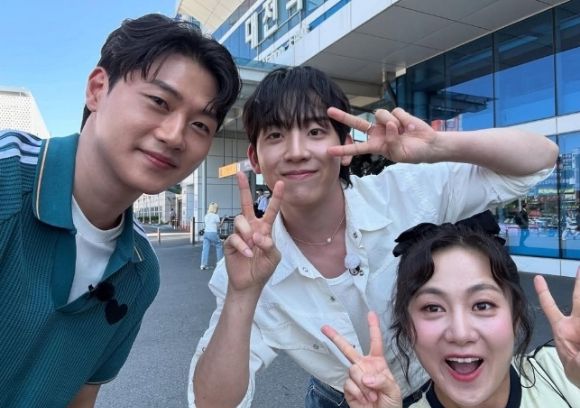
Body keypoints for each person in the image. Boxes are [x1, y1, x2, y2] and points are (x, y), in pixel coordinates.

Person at [189, 66, 558, 408]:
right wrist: (242, 295)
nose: (297, 152)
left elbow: (539, 160)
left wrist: (438, 146)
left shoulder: (402, 192)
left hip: (443, 384)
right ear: (255, 158)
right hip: (341, 398)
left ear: (345, 147)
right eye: (275, 135)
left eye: (315, 132)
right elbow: (212, 402)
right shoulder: (247, 266)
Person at [0, 13, 240, 408]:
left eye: (200, 125)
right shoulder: (8, 179)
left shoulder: (139, 272)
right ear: (97, 89)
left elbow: (80, 396)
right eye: (159, 102)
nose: (174, 136)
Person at [322, 220, 580, 407]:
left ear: (515, 315)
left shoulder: (565, 372)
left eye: (482, 305)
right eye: (433, 308)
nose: (460, 333)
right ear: (407, 328)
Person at [200, 202, 224, 270]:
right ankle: (220, 264)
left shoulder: (206, 216)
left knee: (205, 249)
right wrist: (222, 220)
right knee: (219, 245)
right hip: (213, 233)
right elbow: (219, 226)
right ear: (215, 209)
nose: (217, 210)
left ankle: (203, 265)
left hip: (206, 233)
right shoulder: (216, 216)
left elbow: (206, 225)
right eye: (217, 208)